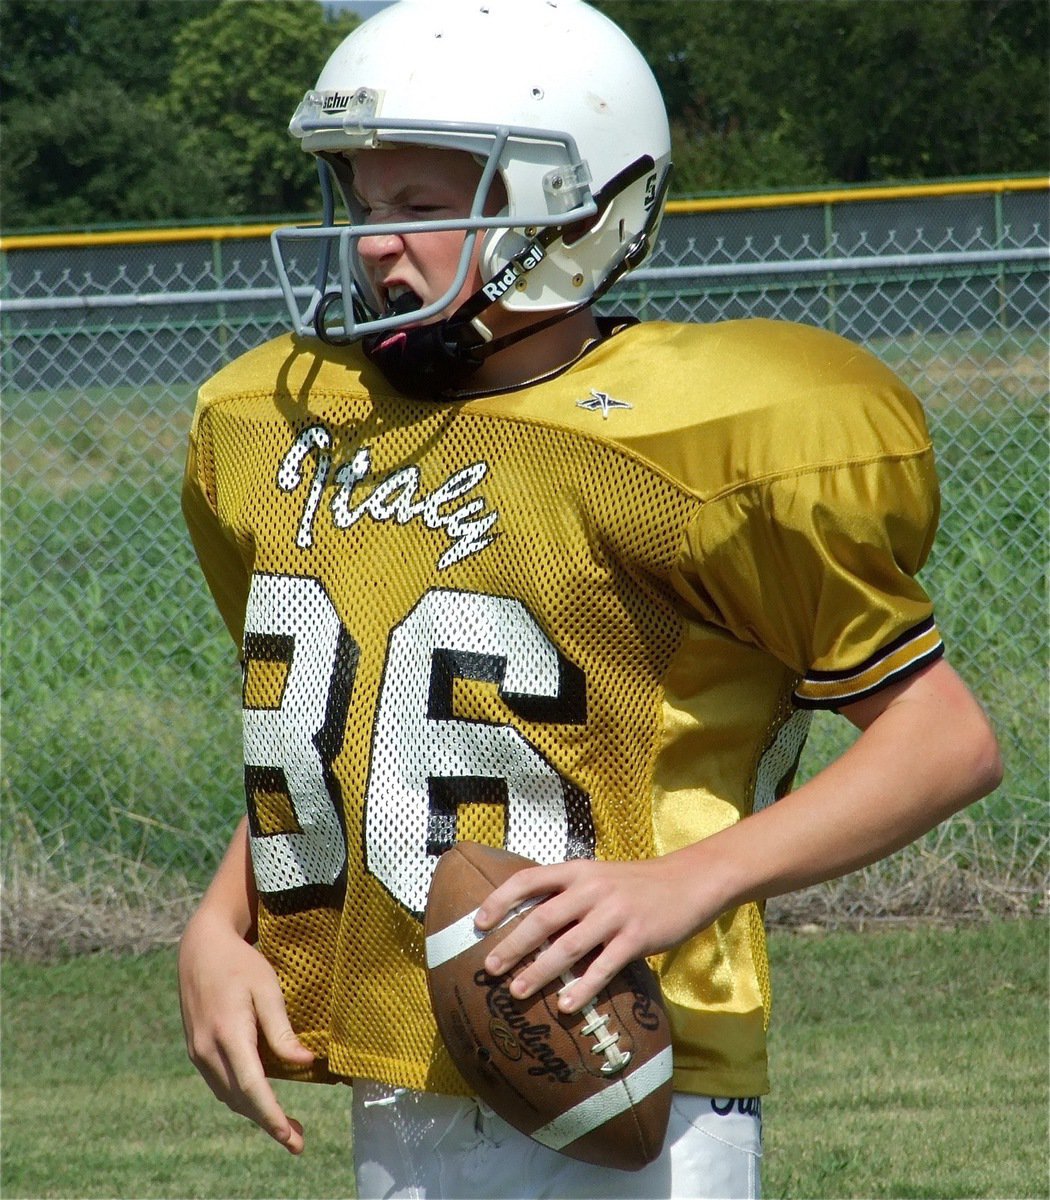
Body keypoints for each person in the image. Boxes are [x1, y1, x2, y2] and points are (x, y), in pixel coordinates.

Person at [177, 2, 1002, 1197]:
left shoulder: (688, 442)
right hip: (399, 1061)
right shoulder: (289, 426)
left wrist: (685, 881)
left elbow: (945, 740)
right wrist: (218, 923)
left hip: (622, 1058)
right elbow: (343, 737)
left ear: (569, 212)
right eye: (363, 206)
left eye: (422, 209)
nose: (371, 247)